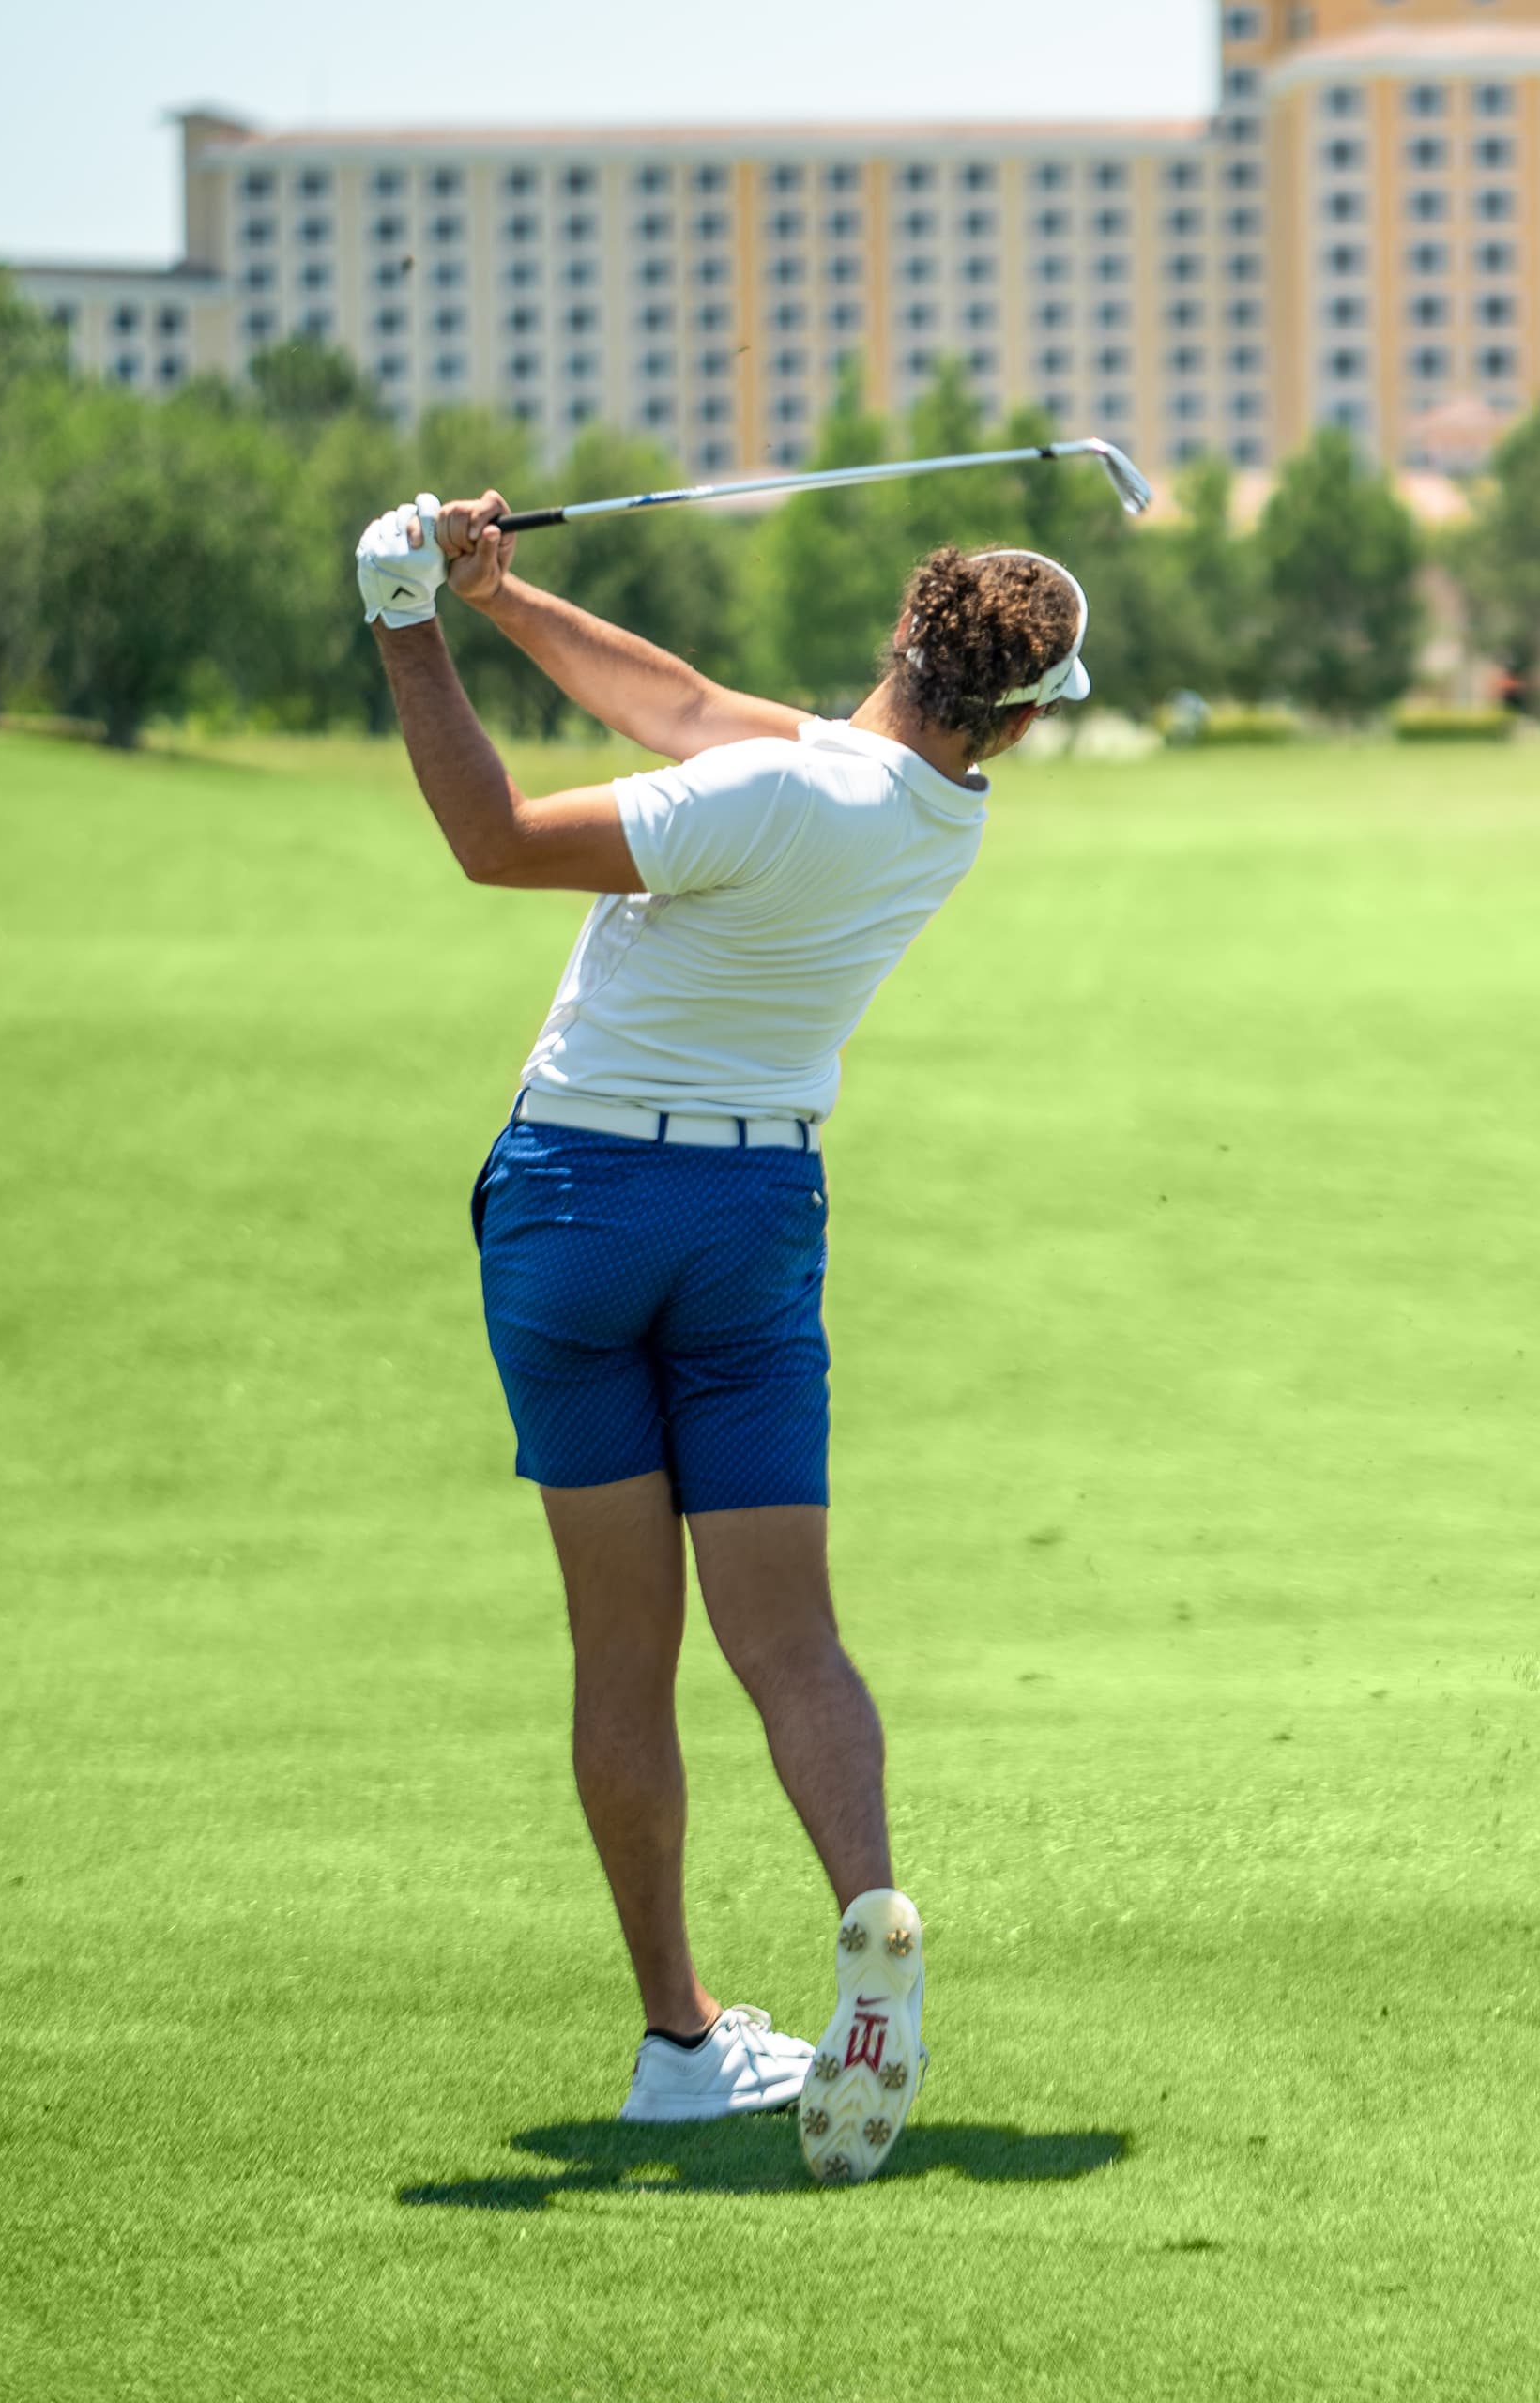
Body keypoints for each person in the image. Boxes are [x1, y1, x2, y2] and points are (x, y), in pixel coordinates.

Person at [353, 491, 1093, 2183]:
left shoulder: (777, 788)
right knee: (793, 1643)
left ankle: (681, 2042)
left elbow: (495, 837)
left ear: (902, 637)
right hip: (755, 1223)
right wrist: (505, 596)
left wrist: (405, 618)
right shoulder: (933, 813)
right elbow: (684, 710)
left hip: (575, 1211)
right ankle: (865, 1910)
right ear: (1024, 719)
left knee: (623, 1656)